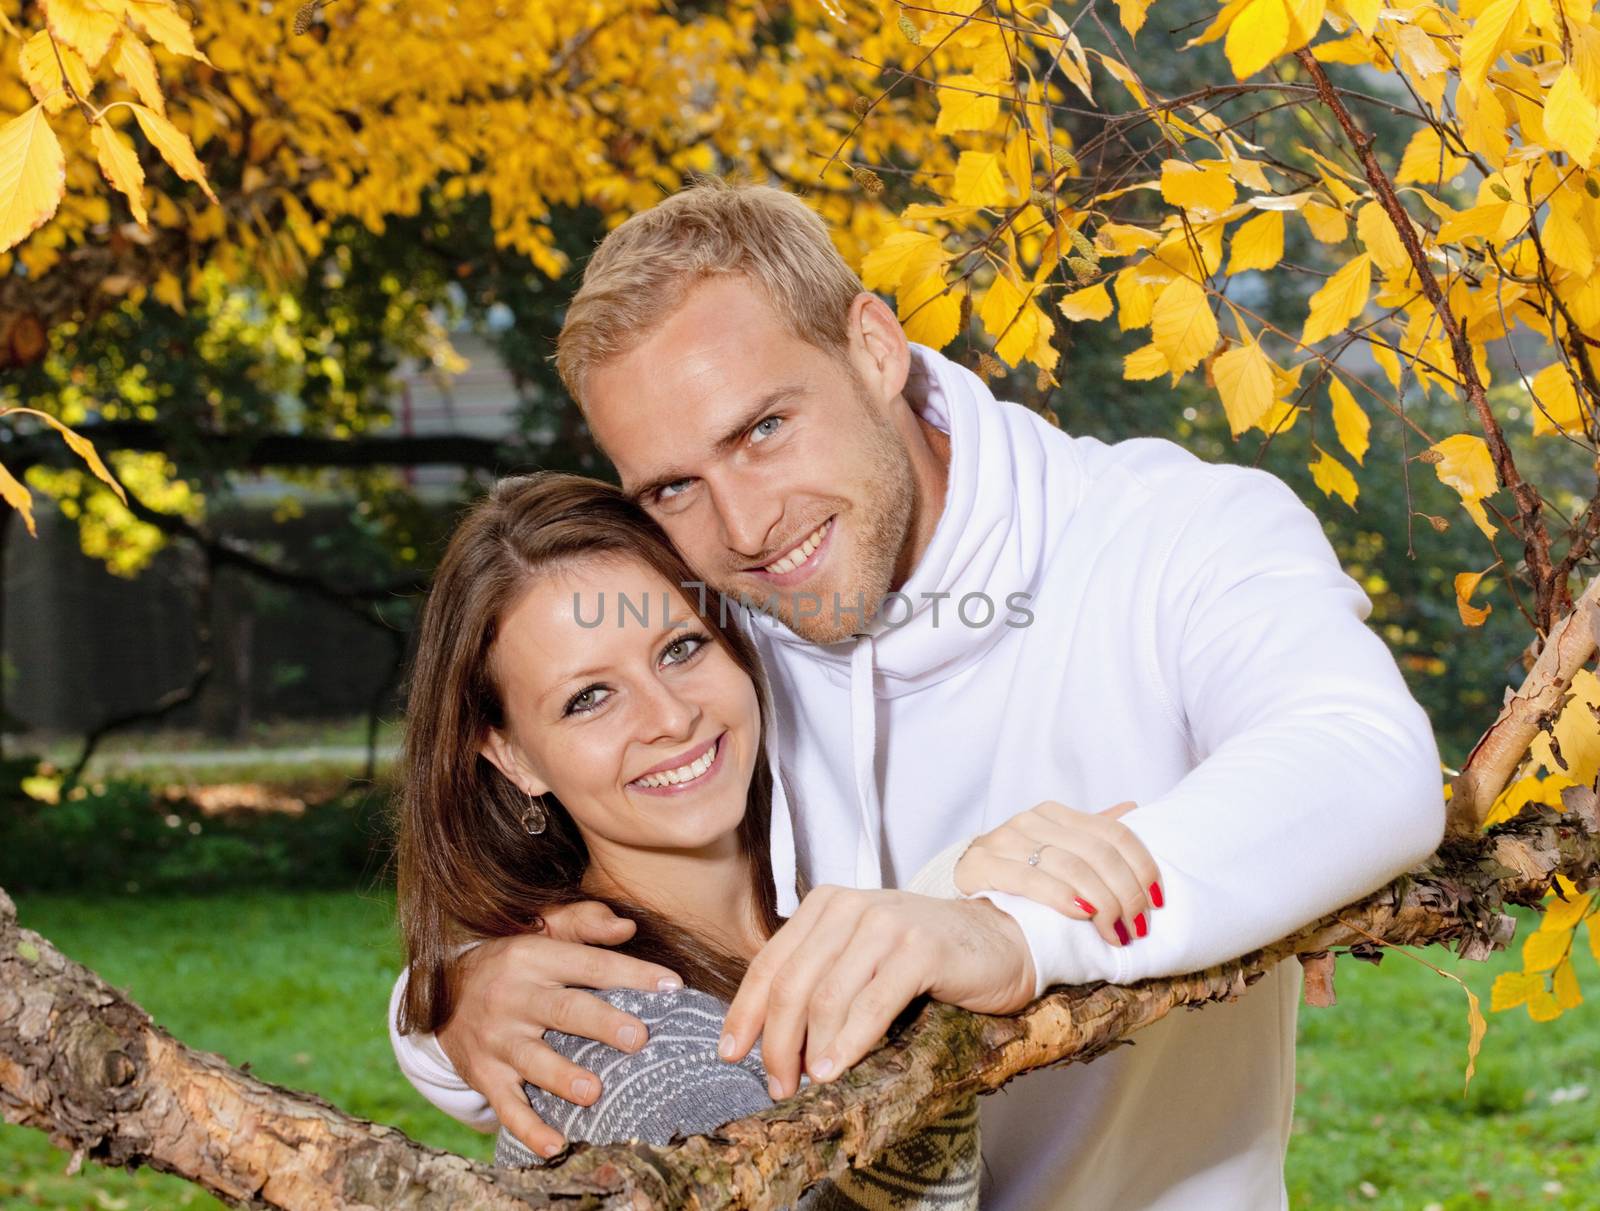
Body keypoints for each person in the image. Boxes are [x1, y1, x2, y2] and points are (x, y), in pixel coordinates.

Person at [391, 181, 1448, 1210]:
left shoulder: (1169, 532)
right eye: (672, 485)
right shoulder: (714, 616)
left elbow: (1367, 762)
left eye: (763, 427)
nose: (748, 525)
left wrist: (1014, 930)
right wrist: (450, 1000)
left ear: (874, 345)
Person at [393, 473, 1159, 1203]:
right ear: (513, 755)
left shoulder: (802, 890)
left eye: (681, 648)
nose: (670, 715)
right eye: (590, 698)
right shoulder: (631, 1043)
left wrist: (953, 908)